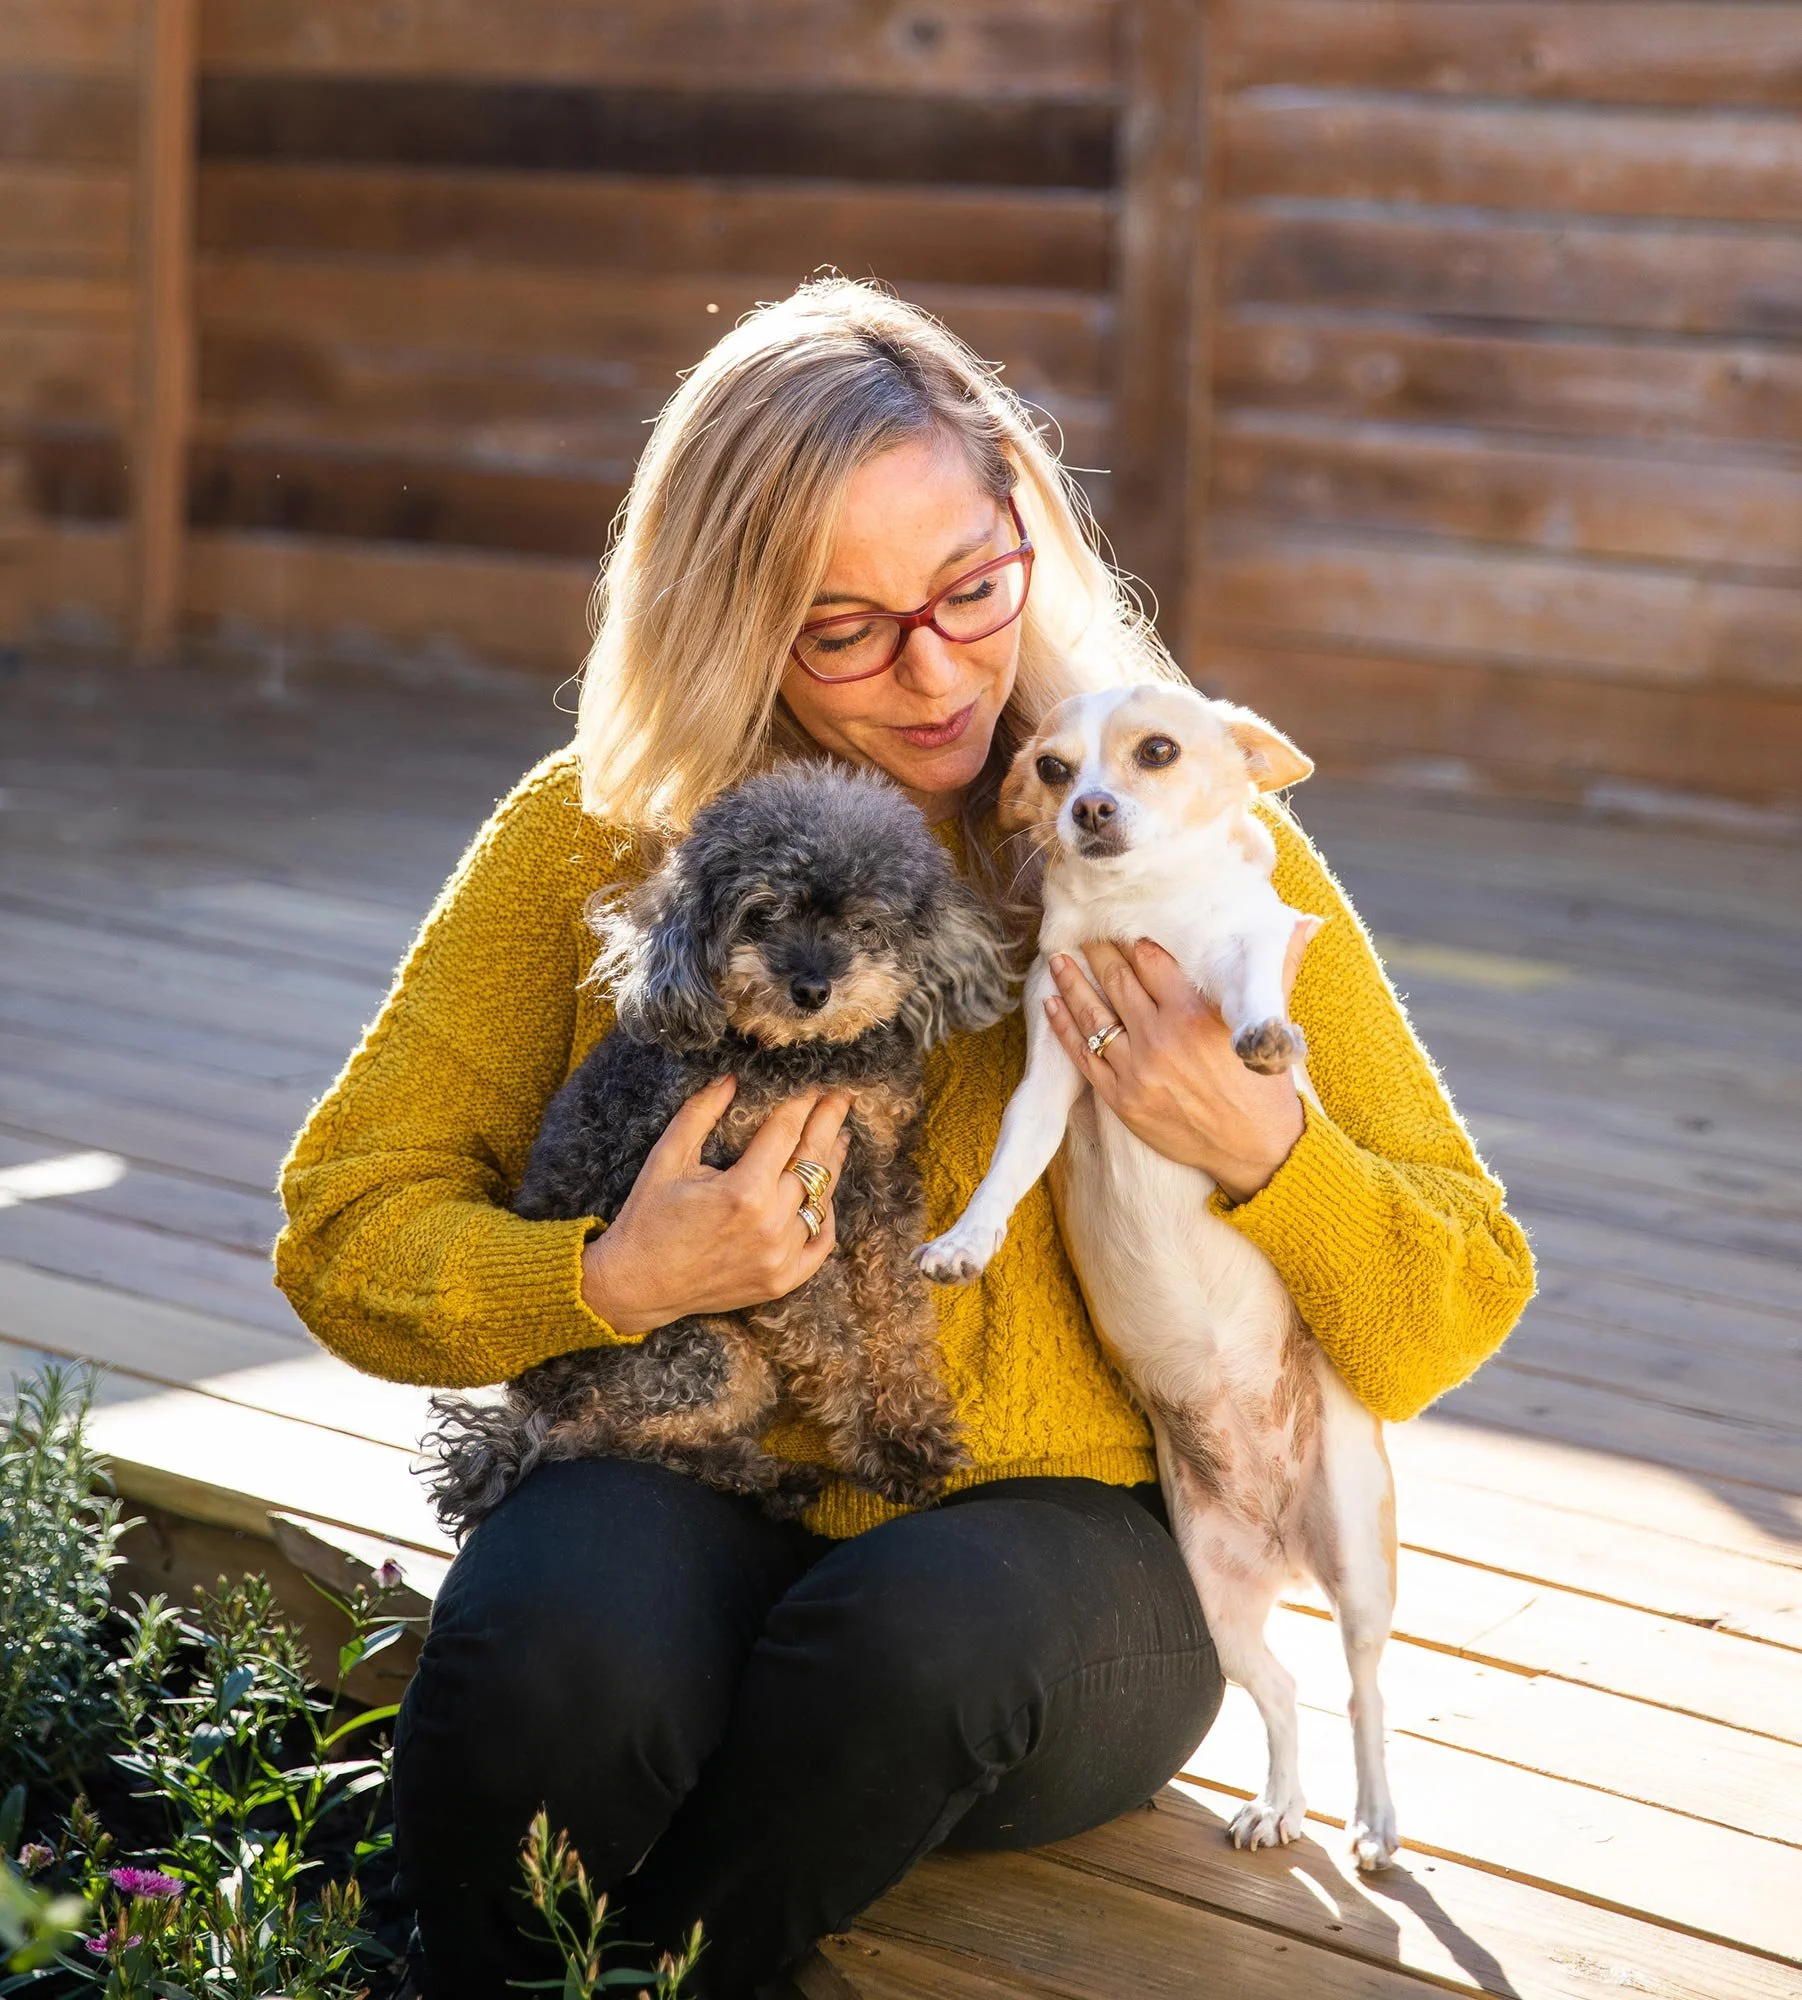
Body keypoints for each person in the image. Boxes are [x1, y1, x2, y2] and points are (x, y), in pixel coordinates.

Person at [275, 279, 1534, 1998]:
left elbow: (1460, 1290)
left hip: (1068, 1559)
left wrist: (1263, 1146)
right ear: (732, 617)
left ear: (1028, 536)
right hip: (699, 1466)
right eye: (846, 629)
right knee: (547, 1652)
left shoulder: (1172, 818)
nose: (936, 671)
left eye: (970, 589)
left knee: (905, 1643)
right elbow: (345, 1223)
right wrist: (610, 1275)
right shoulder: (592, 836)